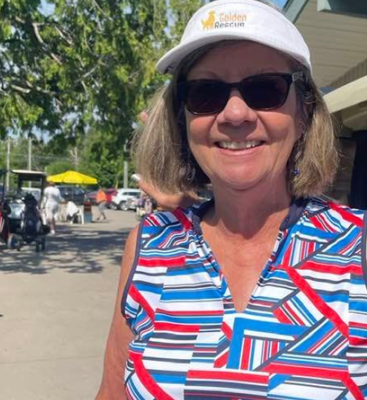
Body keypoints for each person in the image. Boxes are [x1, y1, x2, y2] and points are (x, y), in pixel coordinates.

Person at [95, 1, 366, 399]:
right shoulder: (148, 246)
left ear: (304, 111)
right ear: (182, 118)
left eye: (265, 89)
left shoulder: (358, 246)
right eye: (206, 93)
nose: (235, 113)